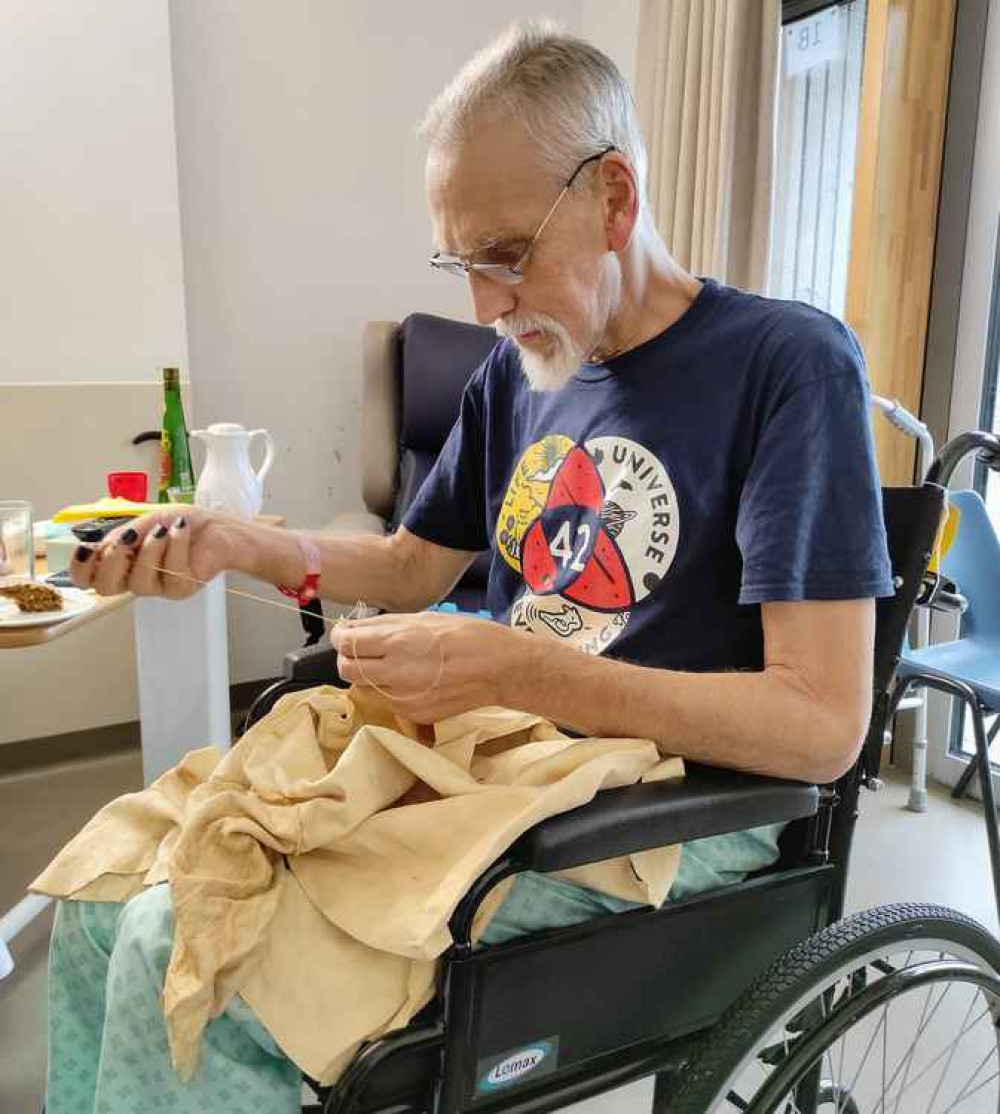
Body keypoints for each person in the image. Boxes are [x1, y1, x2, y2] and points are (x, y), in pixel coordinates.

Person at [51, 20, 892, 1113]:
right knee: (109, 891)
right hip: (495, 766)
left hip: (659, 819)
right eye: (462, 263)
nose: (485, 306)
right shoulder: (521, 375)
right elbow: (410, 565)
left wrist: (513, 669)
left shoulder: (785, 366)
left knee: (198, 944)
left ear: (615, 200)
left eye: (506, 255)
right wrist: (230, 545)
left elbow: (822, 724)